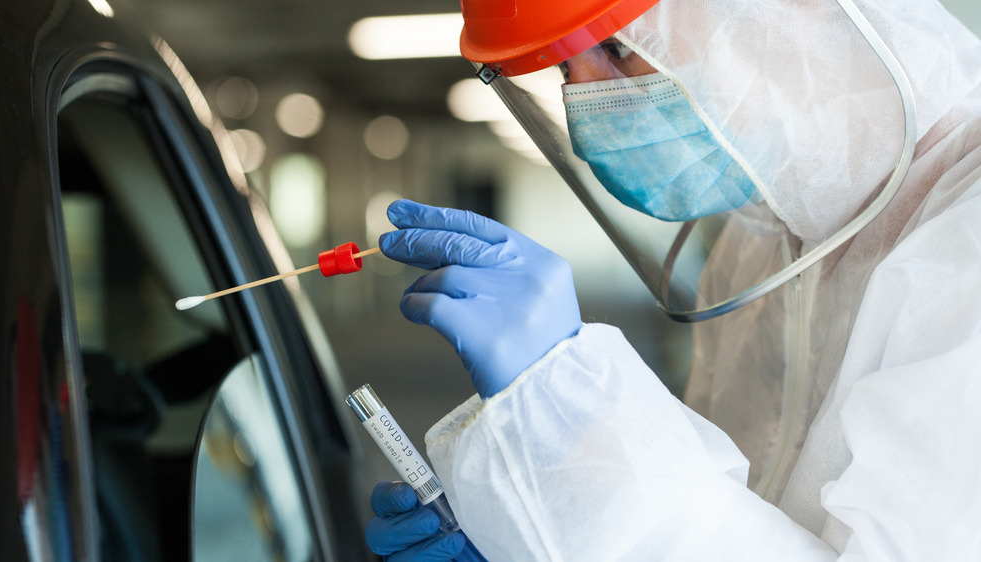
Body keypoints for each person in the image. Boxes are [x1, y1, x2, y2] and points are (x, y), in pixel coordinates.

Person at [364, 0, 981, 559]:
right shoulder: (760, 248)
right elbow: (735, 515)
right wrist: (544, 523)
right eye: (564, 72)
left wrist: (565, 397)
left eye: (620, 48)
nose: (587, 114)